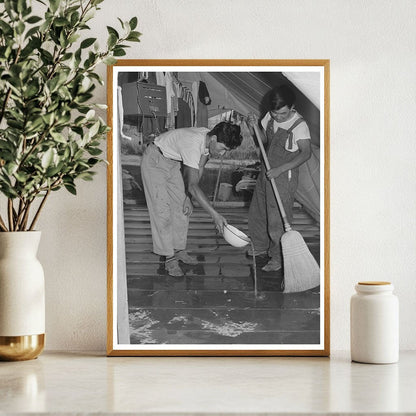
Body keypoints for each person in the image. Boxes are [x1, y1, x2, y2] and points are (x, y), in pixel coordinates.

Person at [141, 122, 242, 277]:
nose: (222, 154)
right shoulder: (192, 143)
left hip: (172, 163)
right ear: (214, 139)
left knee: (183, 208)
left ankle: (179, 249)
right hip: (155, 160)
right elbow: (193, 186)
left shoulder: (208, 139)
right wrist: (215, 215)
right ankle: (169, 258)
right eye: (223, 149)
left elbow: (199, 168)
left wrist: (188, 198)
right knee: (162, 211)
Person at [246, 85, 312, 272]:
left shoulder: (300, 126)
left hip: (284, 175)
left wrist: (280, 169)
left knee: (277, 219)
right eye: (275, 114)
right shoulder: (269, 116)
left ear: (292, 107)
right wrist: (253, 126)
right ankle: (259, 246)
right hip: (267, 170)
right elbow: (264, 140)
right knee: (258, 211)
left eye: (282, 114)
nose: (278, 117)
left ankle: (277, 258)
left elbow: (306, 154)